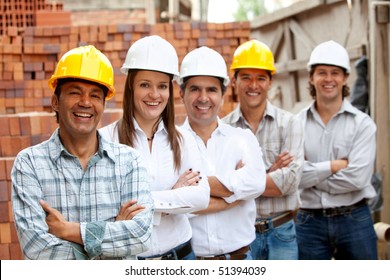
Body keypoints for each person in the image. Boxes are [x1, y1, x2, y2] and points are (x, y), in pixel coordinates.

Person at [11, 45, 154, 260]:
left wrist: (69, 231)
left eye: (95, 95)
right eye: (75, 92)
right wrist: (112, 235)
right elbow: (37, 248)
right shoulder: (29, 164)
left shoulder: (129, 162)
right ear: (55, 102)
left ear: (103, 105)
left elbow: (141, 236)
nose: (85, 102)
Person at [99, 35, 210, 260]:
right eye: (144, 85)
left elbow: (201, 197)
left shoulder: (183, 139)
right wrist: (173, 196)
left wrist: (144, 203)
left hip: (182, 256)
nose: (154, 95)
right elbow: (108, 209)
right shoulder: (105, 140)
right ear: (130, 88)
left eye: (161, 86)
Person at [177, 46, 266, 260]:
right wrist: (236, 195)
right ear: (182, 93)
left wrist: (192, 188)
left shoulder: (243, 139)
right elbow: (175, 206)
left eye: (211, 90)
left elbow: (256, 183)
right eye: (195, 89)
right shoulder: (169, 144)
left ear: (223, 94)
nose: (203, 98)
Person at [295, 40, 378, 260]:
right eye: (321, 72)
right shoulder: (295, 124)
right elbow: (292, 177)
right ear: (311, 77)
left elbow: (357, 179)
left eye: (335, 73)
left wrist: (310, 174)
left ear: (345, 78)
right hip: (309, 223)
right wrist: (334, 166)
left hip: (355, 220)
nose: (328, 79)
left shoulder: (363, 124)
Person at [223, 39, 304, 260]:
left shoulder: (290, 124)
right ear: (234, 81)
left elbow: (291, 181)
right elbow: (221, 185)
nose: (253, 85)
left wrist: (244, 179)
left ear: (270, 82)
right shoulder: (224, 129)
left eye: (260, 78)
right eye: (246, 77)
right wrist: (269, 174)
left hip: (282, 232)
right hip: (239, 236)